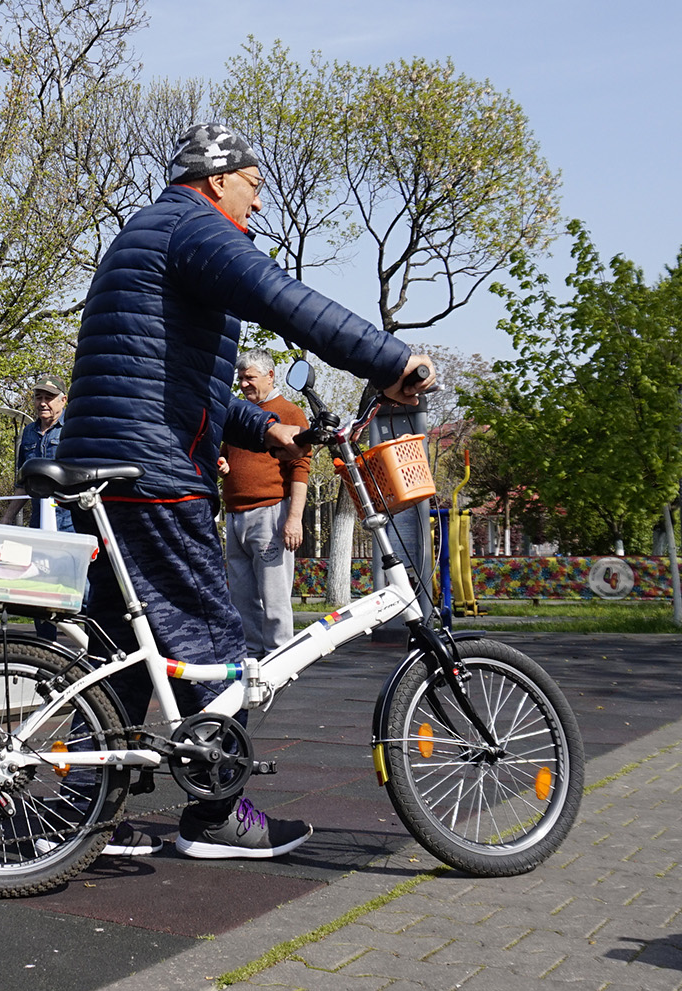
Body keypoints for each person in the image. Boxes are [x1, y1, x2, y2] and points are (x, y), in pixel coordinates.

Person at [57, 123, 435, 859]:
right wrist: (389, 358)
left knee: (122, 653)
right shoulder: (194, 227)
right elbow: (280, 296)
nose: (258, 205)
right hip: (152, 473)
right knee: (210, 645)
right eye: (254, 187)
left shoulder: (157, 231)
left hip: (114, 460)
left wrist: (269, 432)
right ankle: (216, 815)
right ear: (216, 178)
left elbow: (181, 378)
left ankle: (81, 812)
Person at [217, 350, 311, 657]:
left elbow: (300, 468)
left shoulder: (290, 413)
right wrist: (220, 462)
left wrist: (293, 518)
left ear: (270, 376)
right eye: (240, 378)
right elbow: (225, 454)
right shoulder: (237, 416)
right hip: (235, 515)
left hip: (270, 514)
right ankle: (253, 656)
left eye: (250, 378)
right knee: (241, 597)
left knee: (274, 595)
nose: (243, 384)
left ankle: (280, 655)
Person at [0, 376, 75, 534]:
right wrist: (7, 518)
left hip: (71, 523)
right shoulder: (29, 432)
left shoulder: (74, 428)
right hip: (38, 523)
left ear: (63, 400)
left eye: (48, 398)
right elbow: (23, 483)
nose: (42, 403)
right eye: (38, 397)